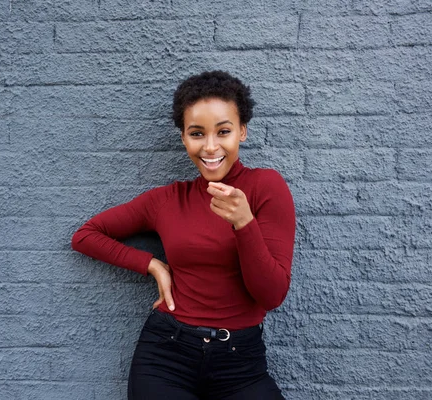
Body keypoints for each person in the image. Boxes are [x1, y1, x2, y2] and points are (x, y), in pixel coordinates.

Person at [71, 70, 296, 399]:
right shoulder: (166, 200)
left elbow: (272, 295)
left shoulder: (266, 188)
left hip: (241, 363)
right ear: (183, 138)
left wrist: (244, 223)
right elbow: (86, 236)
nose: (210, 146)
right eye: (196, 133)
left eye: (223, 131)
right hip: (166, 354)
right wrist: (153, 265)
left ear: (242, 132)